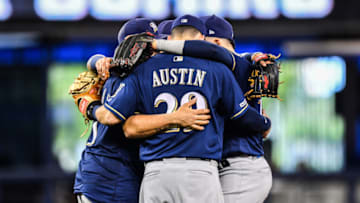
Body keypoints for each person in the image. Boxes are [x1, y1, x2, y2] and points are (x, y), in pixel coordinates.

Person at [103, 14, 271, 203]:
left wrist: (101, 71)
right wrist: (265, 122)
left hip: (164, 172)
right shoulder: (218, 69)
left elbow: (117, 121)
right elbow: (243, 115)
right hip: (201, 170)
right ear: (200, 38)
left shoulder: (143, 72)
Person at [74, 18, 211, 203]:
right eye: (140, 44)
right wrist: (91, 108)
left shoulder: (139, 75)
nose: (148, 50)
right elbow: (114, 119)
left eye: (151, 45)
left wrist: (96, 61)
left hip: (116, 173)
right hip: (110, 175)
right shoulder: (125, 77)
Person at [152, 15, 273, 203]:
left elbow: (215, 53)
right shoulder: (241, 62)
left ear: (215, 42)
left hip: (241, 166)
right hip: (223, 166)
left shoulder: (231, 62)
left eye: (201, 39)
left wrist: (155, 45)